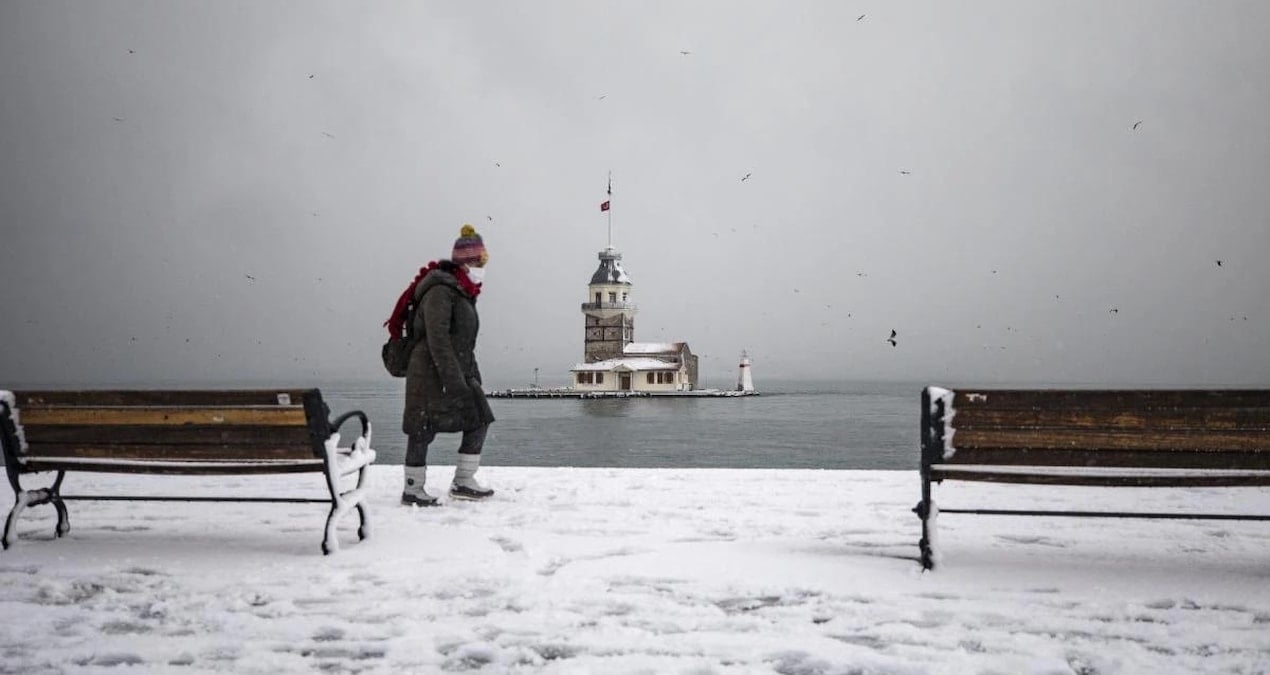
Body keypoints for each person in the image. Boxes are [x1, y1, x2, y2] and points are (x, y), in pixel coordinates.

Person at [395, 224, 496, 506]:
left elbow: (462, 340)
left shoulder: (462, 291)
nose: (482, 268)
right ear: (466, 262)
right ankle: (413, 489)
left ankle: (463, 481)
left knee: (479, 418)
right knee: (421, 428)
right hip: (429, 372)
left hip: (453, 369)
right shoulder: (441, 290)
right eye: (479, 262)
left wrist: (470, 374)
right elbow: (437, 339)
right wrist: (454, 381)